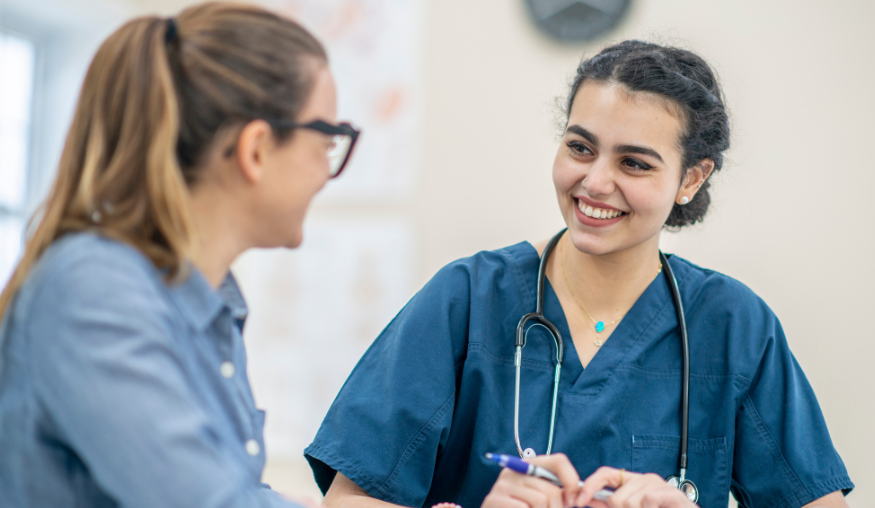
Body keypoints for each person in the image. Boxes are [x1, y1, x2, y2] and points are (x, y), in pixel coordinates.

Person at [305, 41, 853, 508]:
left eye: (634, 162)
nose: (594, 182)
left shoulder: (733, 326)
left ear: (691, 178)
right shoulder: (469, 299)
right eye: (580, 147)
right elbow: (348, 498)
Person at [0, 3, 359, 507]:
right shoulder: (93, 290)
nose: (327, 171)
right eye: (327, 140)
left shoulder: (208, 302)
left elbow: (236, 491)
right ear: (256, 149)